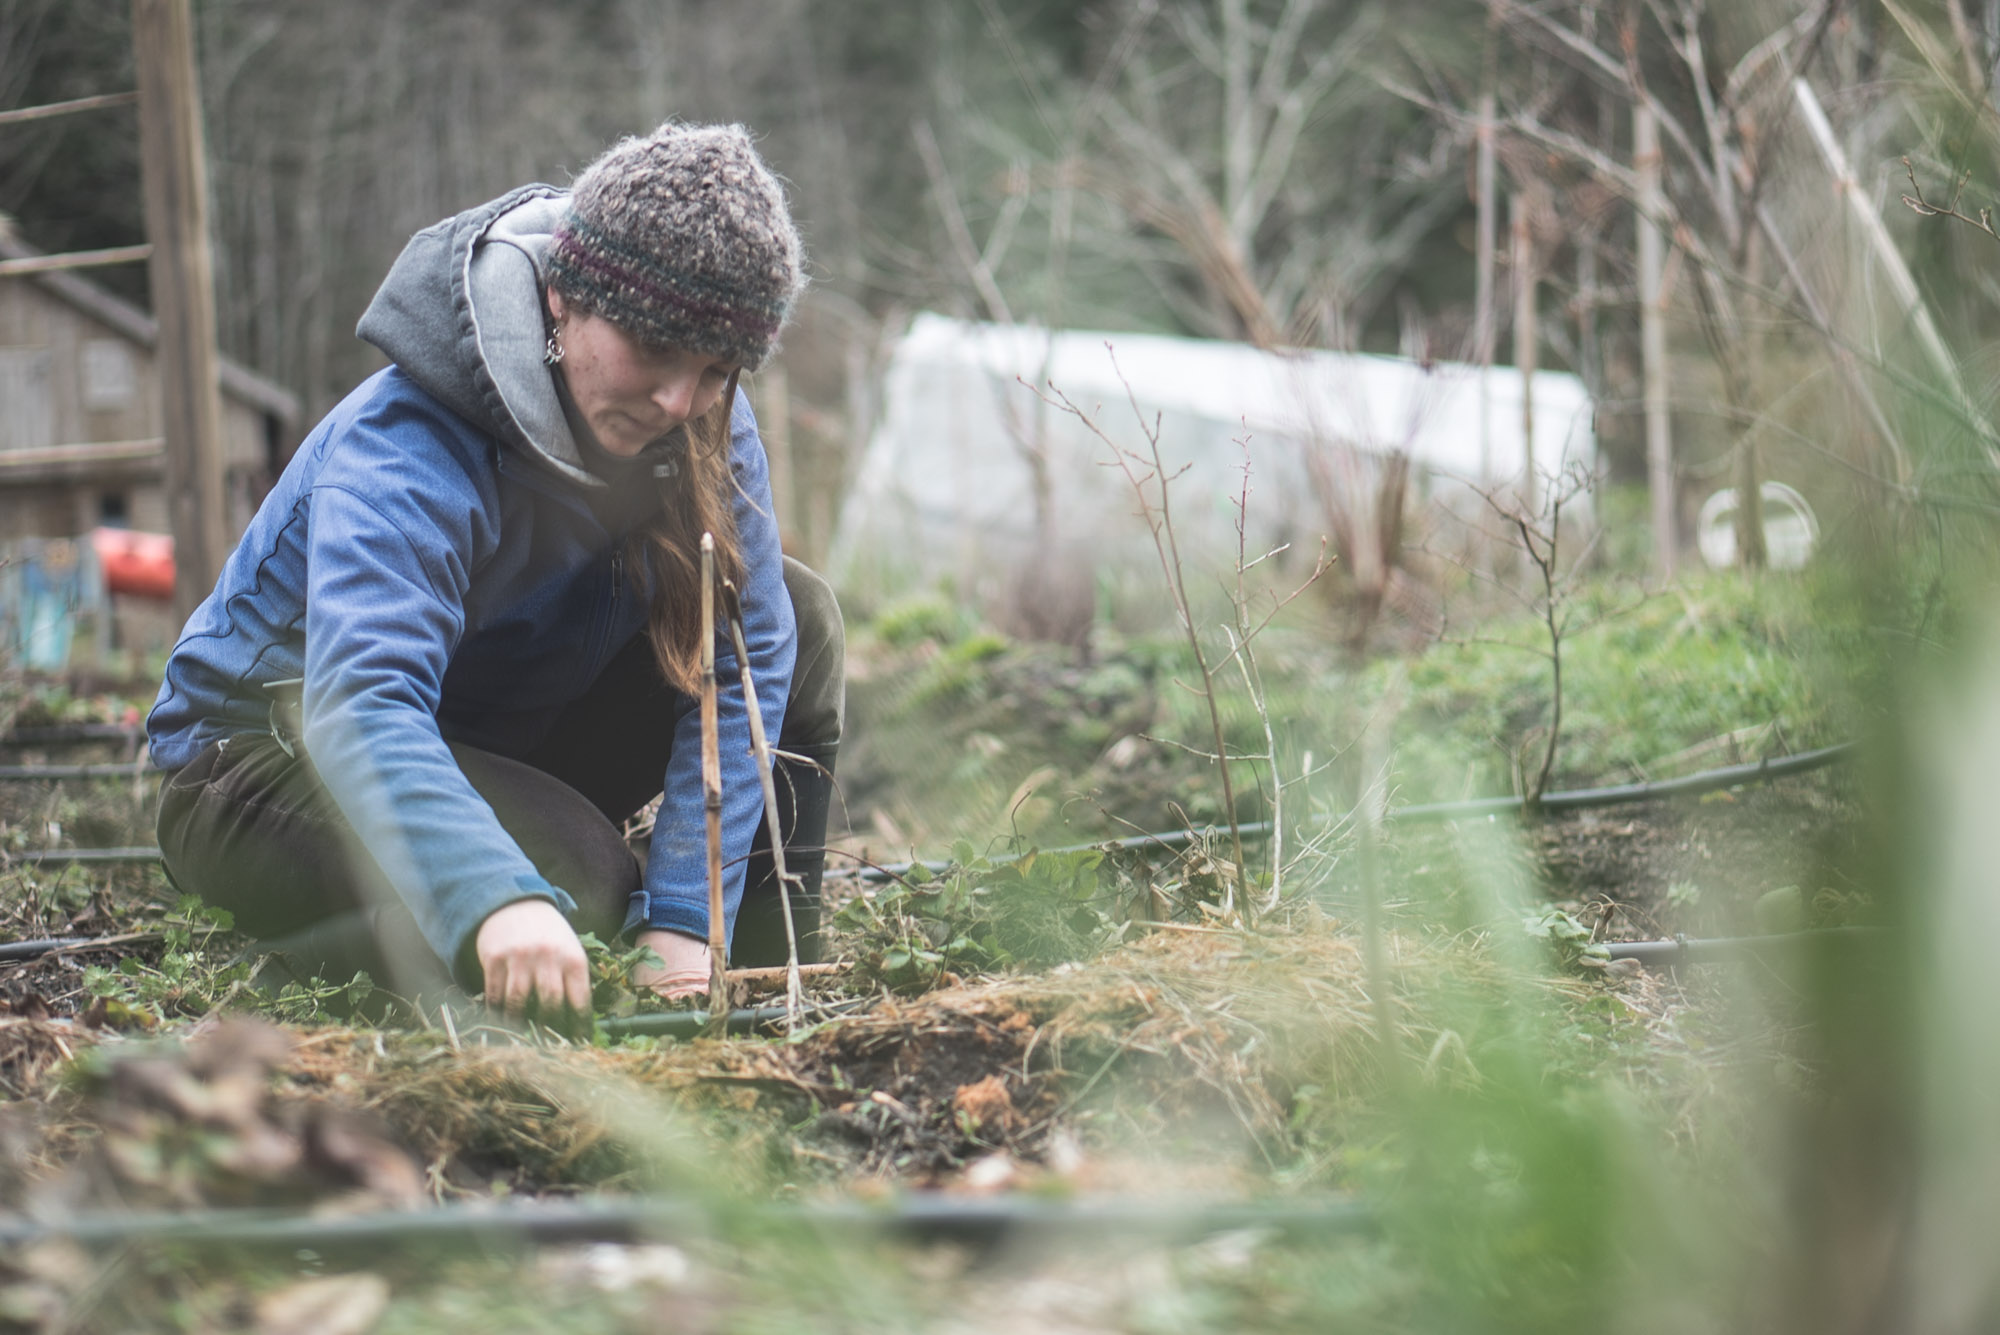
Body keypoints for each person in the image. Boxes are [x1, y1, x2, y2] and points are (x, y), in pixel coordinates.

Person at [145, 123, 842, 1021]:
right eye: (656, 350)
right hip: (263, 760)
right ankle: (289, 972)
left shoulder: (700, 416)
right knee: (577, 885)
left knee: (804, 612)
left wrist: (687, 918)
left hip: (491, 729)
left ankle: (745, 992)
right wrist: (494, 894)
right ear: (564, 298)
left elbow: (751, 654)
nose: (679, 401)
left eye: (714, 369)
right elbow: (364, 700)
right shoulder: (413, 434)